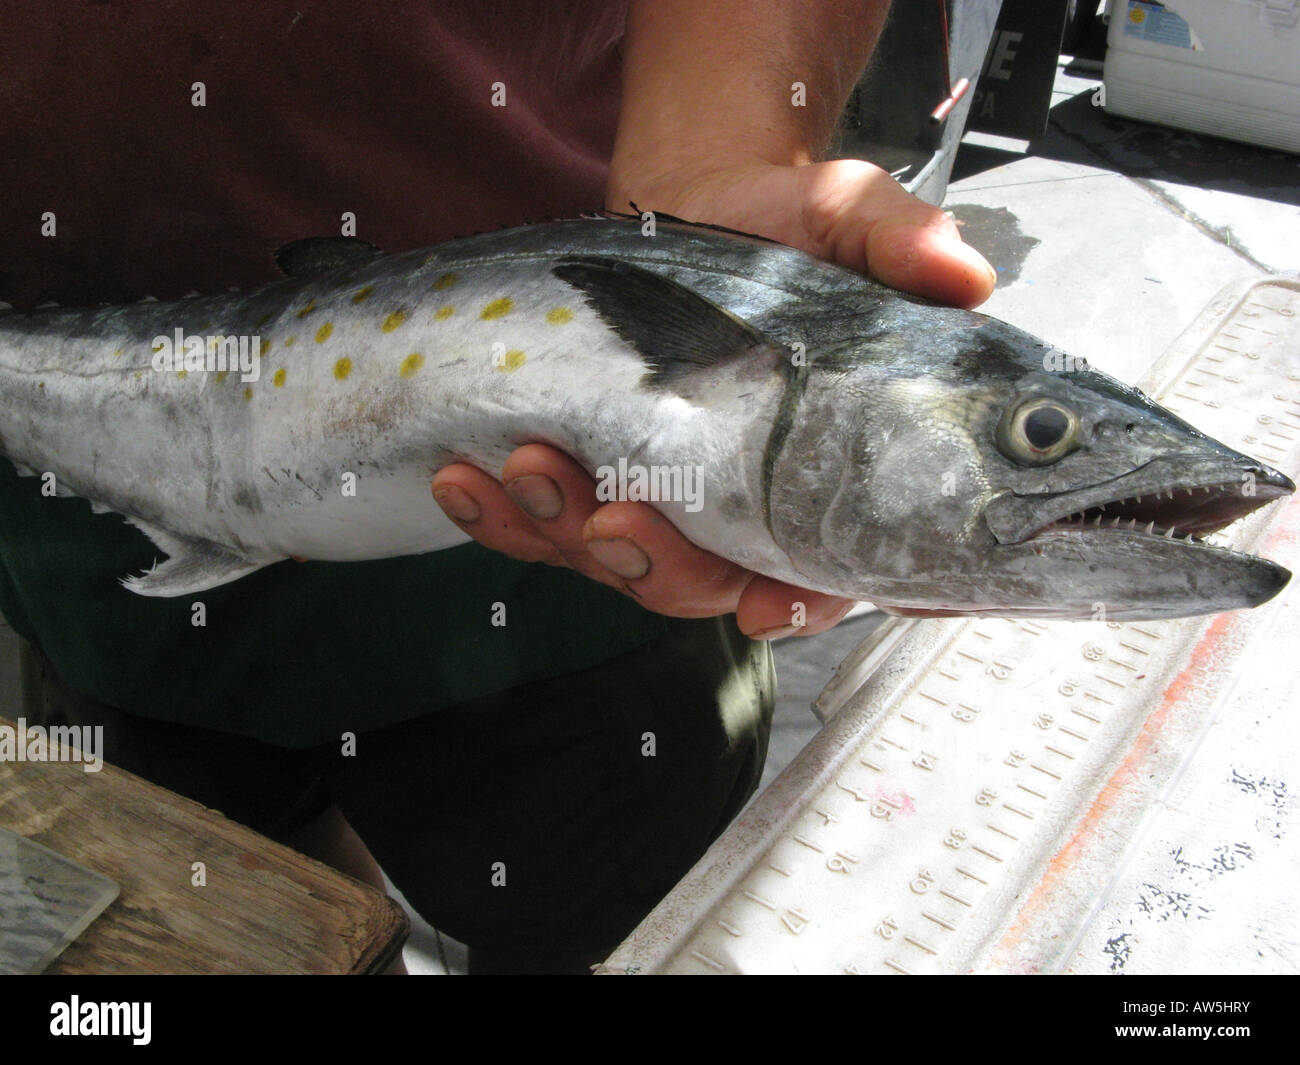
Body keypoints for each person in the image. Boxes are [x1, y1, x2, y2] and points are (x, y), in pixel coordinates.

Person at [0, 0, 994, 972]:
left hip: (580, 553)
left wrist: (720, 153)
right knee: (236, 904)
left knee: (601, 919)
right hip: (89, 489)